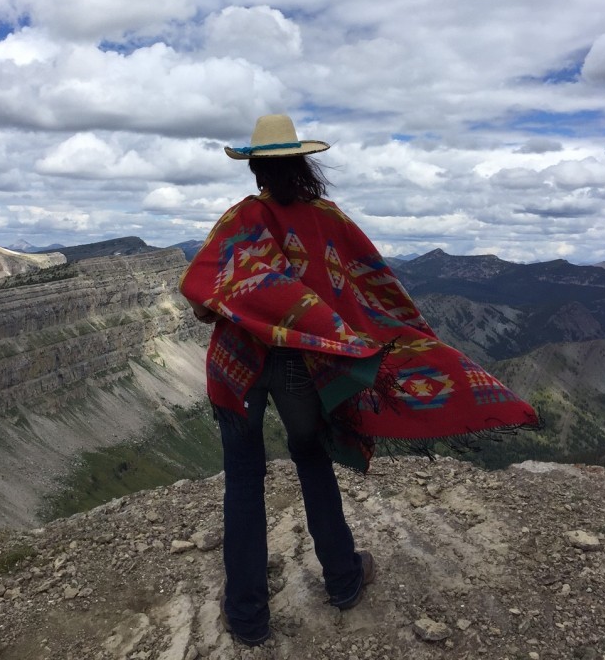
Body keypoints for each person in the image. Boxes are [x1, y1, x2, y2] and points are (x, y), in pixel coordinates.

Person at [180, 114, 540, 647]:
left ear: (255, 168)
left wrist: (253, 304)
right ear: (303, 164)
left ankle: (248, 616)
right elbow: (367, 284)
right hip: (303, 364)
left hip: (237, 365)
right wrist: (355, 334)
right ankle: (344, 580)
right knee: (311, 459)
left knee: (242, 477)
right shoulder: (327, 219)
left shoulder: (238, 221)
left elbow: (202, 294)